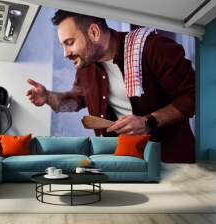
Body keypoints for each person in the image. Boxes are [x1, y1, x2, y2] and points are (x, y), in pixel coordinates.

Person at [26, 10, 195, 163]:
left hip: (170, 160)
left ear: (94, 32)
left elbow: (194, 95)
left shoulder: (153, 48)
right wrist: (48, 97)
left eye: (69, 42)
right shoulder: (86, 68)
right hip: (123, 160)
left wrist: (148, 121)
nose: (65, 53)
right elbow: (76, 100)